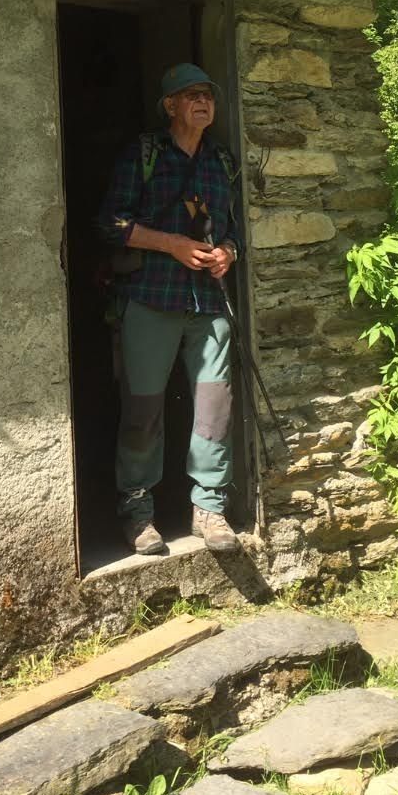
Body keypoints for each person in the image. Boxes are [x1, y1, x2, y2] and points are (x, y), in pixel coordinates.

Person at [98, 62, 241, 555]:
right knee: (142, 411)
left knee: (214, 410)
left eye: (210, 95)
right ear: (171, 105)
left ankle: (210, 509)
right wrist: (172, 244)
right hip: (151, 299)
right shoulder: (143, 154)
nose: (204, 102)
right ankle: (138, 512)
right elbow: (110, 224)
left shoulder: (222, 162)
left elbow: (233, 228)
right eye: (192, 94)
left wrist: (228, 251)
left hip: (208, 303)